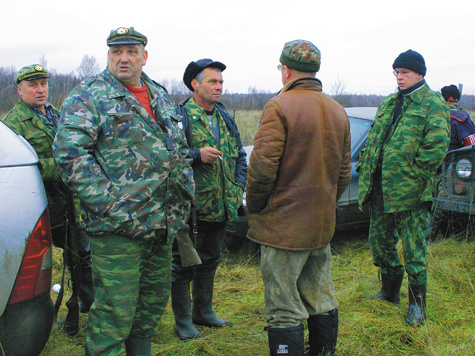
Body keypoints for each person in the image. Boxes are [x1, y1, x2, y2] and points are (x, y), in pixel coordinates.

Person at [52, 27, 194, 356]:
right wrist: (114, 206)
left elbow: (180, 150)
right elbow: (70, 155)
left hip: (162, 226)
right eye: (116, 52)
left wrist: (184, 199)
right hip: (117, 229)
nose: (123, 58)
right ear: (108, 56)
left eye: (131, 51)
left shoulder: (159, 93)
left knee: (151, 305)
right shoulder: (89, 95)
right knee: (115, 313)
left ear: (145, 56)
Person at [246, 40, 351, 356]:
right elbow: (343, 173)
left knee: (283, 306)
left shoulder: (279, 106)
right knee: (321, 296)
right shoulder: (337, 109)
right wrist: (326, 204)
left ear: (286, 70)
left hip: (284, 229)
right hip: (320, 226)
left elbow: (262, 168)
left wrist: (257, 207)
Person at [357, 49, 450, 326]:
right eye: (396, 73)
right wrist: (365, 165)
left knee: (413, 250)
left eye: (405, 73)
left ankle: (417, 305)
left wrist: (416, 176)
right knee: (380, 243)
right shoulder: (389, 103)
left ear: (420, 74)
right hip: (381, 189)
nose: (399, 77)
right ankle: (389, 292)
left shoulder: (432, 104)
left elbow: (437, 146)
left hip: (410, 193)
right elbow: (374, 138)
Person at [1, 64, 94, 318]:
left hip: (70, 205)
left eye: (43, 84)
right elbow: (22, 170)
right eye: (33, 85)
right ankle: (29, 315)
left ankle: (85, 302)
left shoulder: (57, 113)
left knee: (81, 254)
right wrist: (69, 166)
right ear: (20, 91)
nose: (40, 90)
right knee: (35, 266)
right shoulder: (13, 124)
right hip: (38, 207)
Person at [172, 58, 247, 340]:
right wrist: (195, 155)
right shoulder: (178, 117)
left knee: (211, 260)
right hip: (191, 208)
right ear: (195, 84)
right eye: (212, 82)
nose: (218, 87)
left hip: (222, 205)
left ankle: (203, 312)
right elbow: (165, 157)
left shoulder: (224, 116)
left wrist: (238, 185)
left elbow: (240, 155)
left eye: (221, 82)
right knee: (182, 265)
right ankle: (182, 323)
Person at [425, 84, 475, 240]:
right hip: (450, 172)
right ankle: (428, 240)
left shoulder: (431, 115)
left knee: (430, 204)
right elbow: (471, 146)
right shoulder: (460, 119)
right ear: (456, 100)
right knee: (442, 205)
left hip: (429, 168)